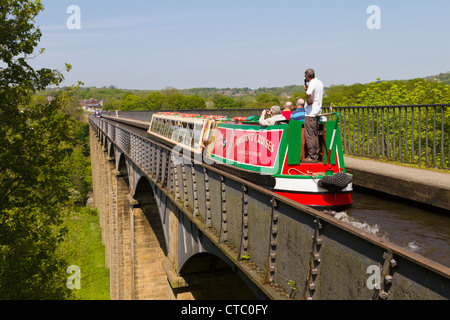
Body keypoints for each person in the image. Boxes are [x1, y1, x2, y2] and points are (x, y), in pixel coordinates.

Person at [303, 68, 324, 163]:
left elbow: (308, 94)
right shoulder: (319, 82)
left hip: (310, 112)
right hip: (317, 111)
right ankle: (315, 154)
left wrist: (308, 100)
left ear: (307, 76)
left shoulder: (312, 83)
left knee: (309, 135)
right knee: (314, 134)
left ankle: (312, 156)